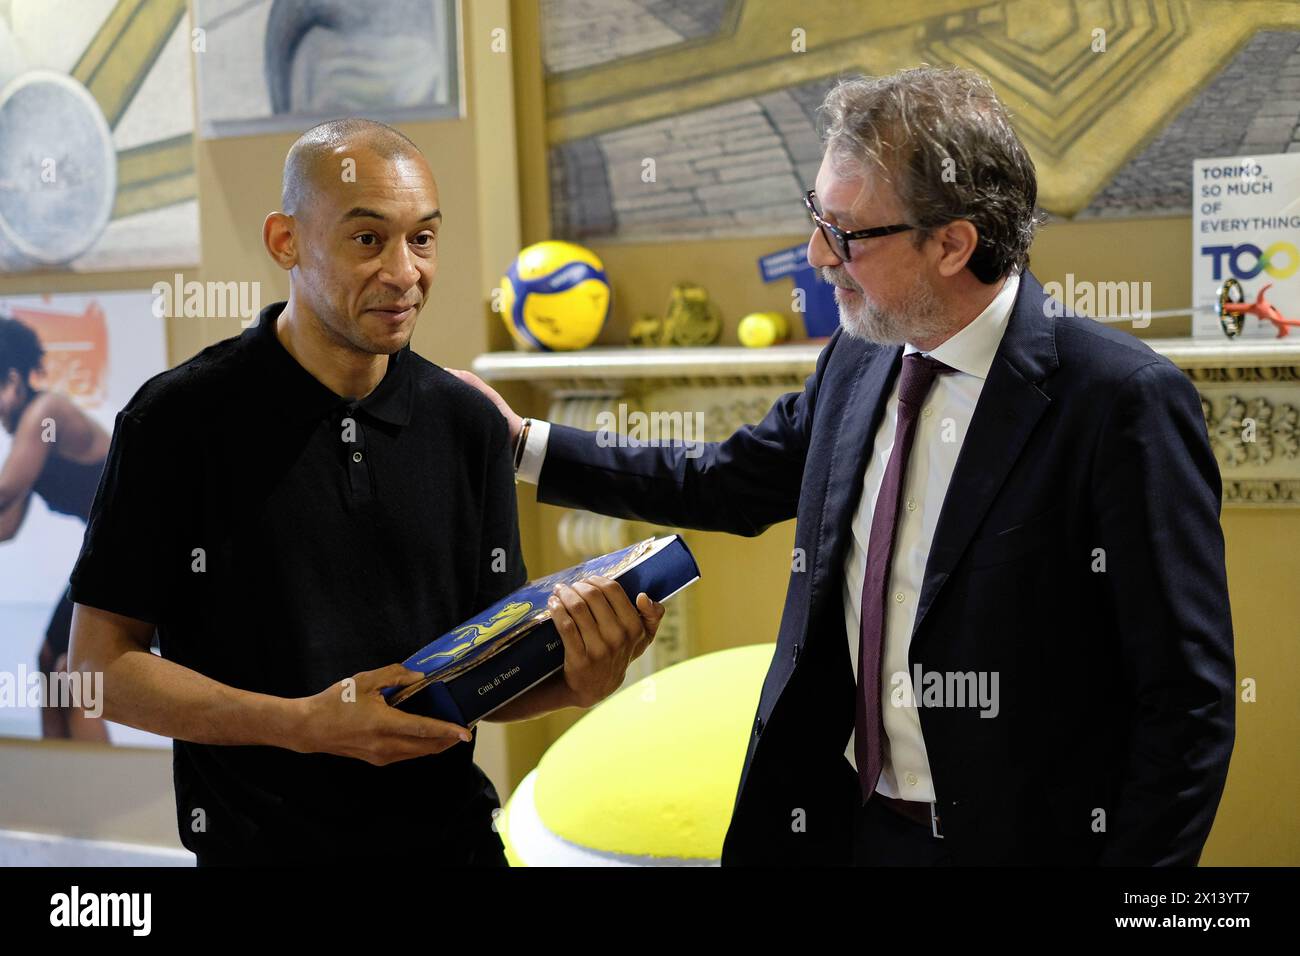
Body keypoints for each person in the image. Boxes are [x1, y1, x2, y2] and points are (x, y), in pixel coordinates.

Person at [453, 66, 1236, 866]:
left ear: (953, 243)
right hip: (837, 830)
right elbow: (725, 477)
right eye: (816, 215)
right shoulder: (858, 361)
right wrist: (520, 443)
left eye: (848, 231)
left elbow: (1188, 702)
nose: (817, 253)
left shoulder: (1119, 400)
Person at [67, 118, 664, 866]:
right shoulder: (176, 421)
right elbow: (97, 671)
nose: (404, 272)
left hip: (455, 850)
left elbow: (472, 677)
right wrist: (300, 724)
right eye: (367, 240)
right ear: (286, 241)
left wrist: (577, 680)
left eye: (422, 239)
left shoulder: (469, 422)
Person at [0, 314, 109, 742]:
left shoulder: (48, 412)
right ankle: (60, 779)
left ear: (12, 379)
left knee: (71, 670)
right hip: (108, 551)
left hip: (145, 547)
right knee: (51, 663)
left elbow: (6, 489)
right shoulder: (26, 437)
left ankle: (94, 787)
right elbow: (6, 527)